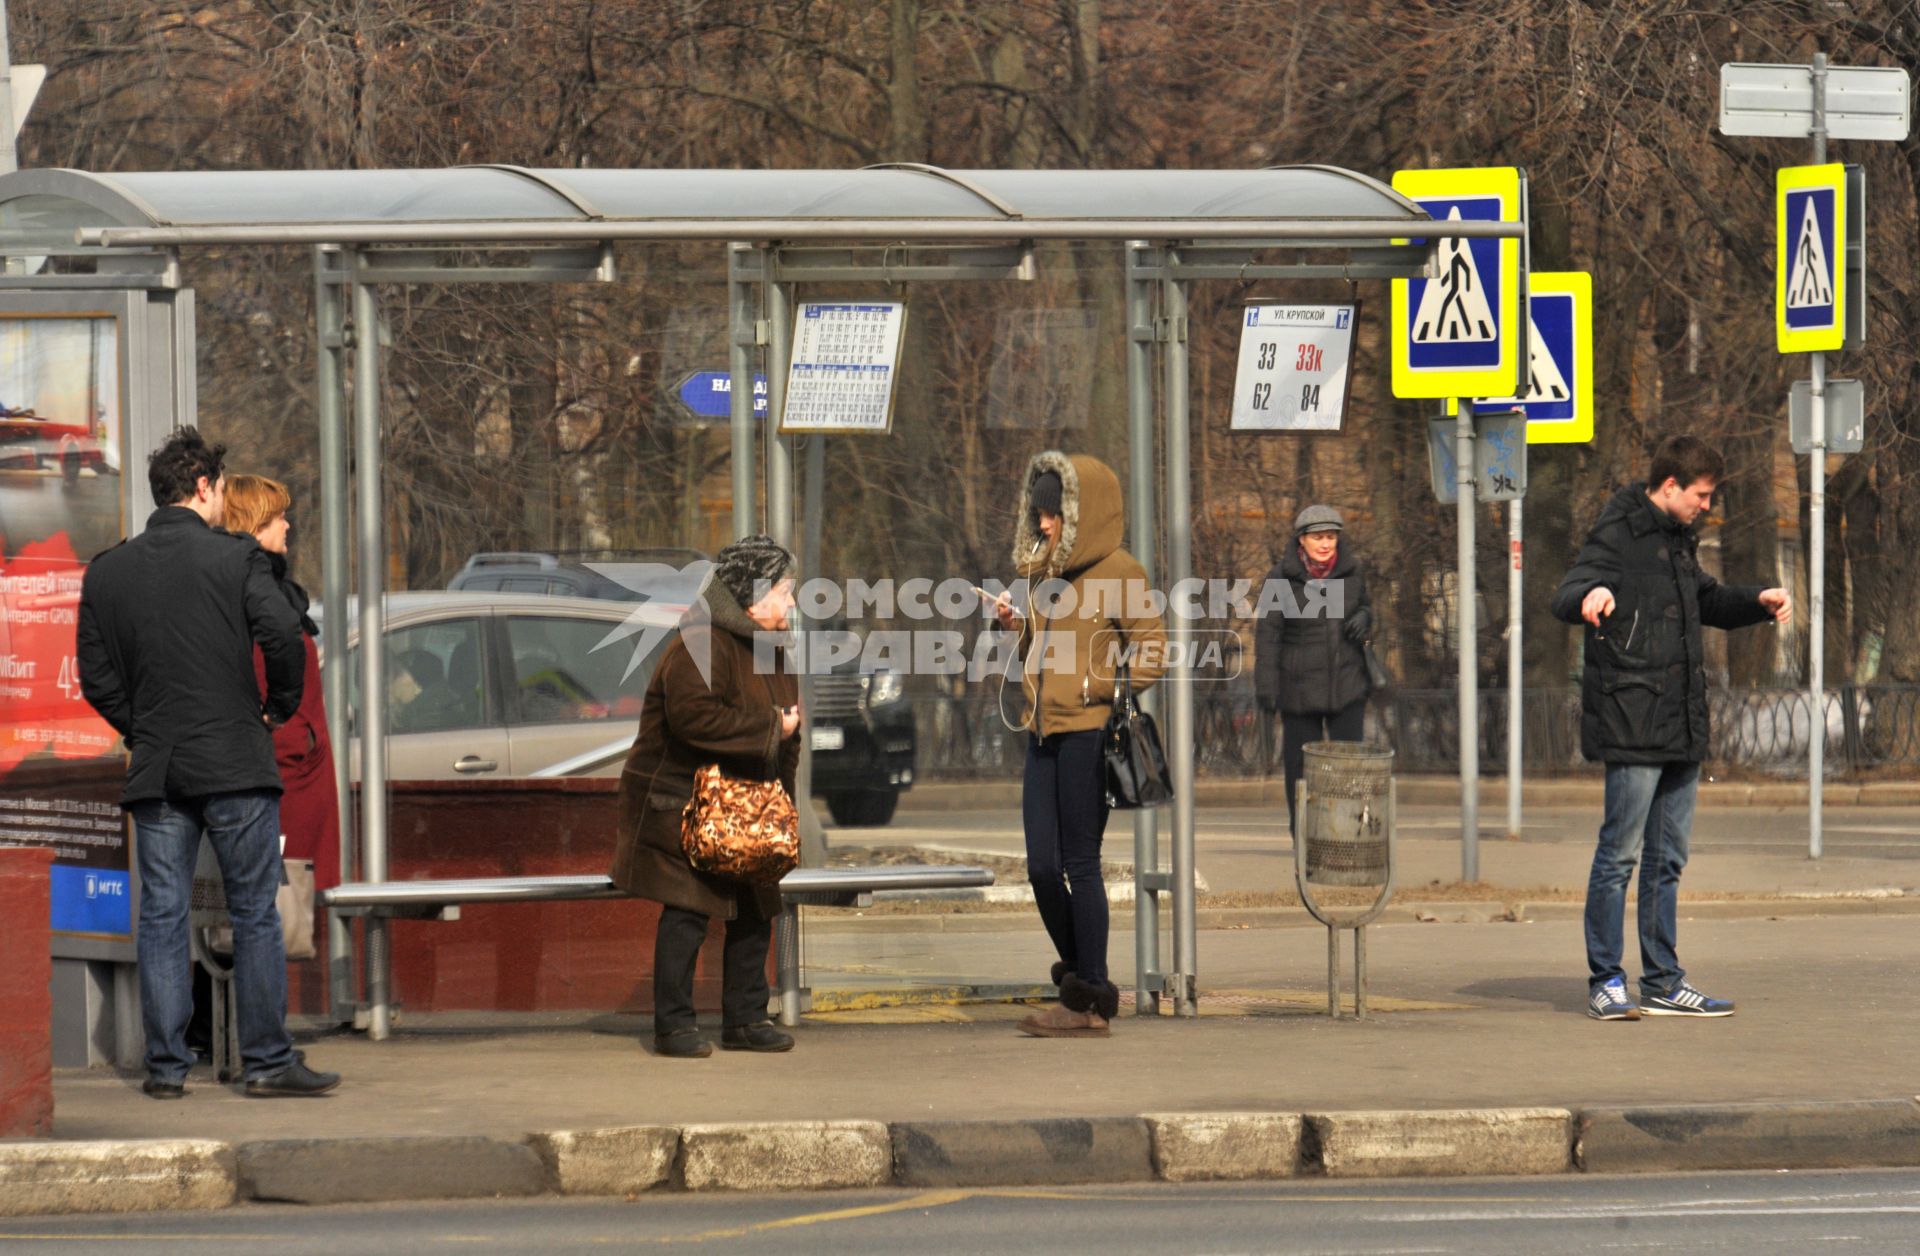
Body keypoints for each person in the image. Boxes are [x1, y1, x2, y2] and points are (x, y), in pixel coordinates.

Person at [76, 427, 340, 1099]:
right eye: (221, 489)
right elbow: (283, 633)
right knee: (253, 909)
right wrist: (276, 706)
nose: (224, 500)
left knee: (162, 912)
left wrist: (145, 727)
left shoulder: (108, 570)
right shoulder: (236, 559)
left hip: (158, 768)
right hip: (236, 763)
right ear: (203, 487)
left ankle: (166, 1071)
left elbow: (97, 676)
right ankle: (267, 1062)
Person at [1550, 435, 1791, 1022]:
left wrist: (1756, 601)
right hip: (1633, 721)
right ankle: (1606, 979)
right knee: (1619, 857)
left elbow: (1705, 601)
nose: (1707, 506)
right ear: (1669, 487)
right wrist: (1592, 594)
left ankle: (1662, 981)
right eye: (1701, 496)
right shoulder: (1621, 529)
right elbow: (1565, 593)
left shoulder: (1680, 541)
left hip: (1680, 723)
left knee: (1668, 862)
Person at [992, 453, 1165, 1038]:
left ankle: (1085, 1001)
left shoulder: (1122, 573)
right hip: (1042, 735)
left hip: (1089, 734)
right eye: (1037, 514)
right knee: (1041, 868)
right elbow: (1040, 660)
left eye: (1052, 514)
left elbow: (1153, 651)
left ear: (1079, 513)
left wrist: (1100, 687)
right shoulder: (1042, 576)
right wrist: (1017, 631)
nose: (1042, 525)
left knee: (1079, 866)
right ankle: (1086, 985)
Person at [611, 535, 802, 1059]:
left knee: (754, 908)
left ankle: (746, 1019)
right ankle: (673, 1026)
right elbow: (694, 718)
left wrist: (783, 802)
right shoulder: (698, 640)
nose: (791, 603)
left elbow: (791, 725)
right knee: (689, 910)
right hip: (683, 803)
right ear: (750, 594)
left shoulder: (772, 647)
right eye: (784, 591)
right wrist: (771, 729)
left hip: (748, 807)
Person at [222, 475, 341, 894]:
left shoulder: (272, 589)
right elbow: (258, 673)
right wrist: (291, 738)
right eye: (278, 518)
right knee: (286, 909)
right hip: (286, 777)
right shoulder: (254, 594)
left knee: (295, 907)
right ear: (253, 524)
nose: (287, 526)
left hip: (299, 769)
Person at [1253, 504, 1376, 837]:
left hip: (1347, 686)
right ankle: (1304, 839)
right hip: (1298, 692)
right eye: (1318, 537)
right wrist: (1266, 689)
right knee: (1300, 772)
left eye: (1332, 537)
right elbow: (1267, 636)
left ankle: (1348, 837)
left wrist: (1365, 618)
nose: (1326, 544)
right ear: (1302, 540)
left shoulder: (1353, 573)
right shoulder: (1280, 578)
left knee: (1348, 770)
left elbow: (1366, 606)